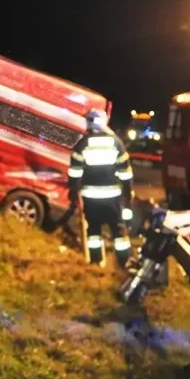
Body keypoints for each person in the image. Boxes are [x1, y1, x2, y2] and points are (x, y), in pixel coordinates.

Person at [68, 109, 134, 268]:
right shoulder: (116, 142)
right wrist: (128, 192)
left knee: (94, 232)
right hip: (112, 198)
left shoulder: (82, 143)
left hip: (91, 198)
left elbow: (74, 173)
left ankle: (97, 262)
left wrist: (73, 194)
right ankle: (124, 263)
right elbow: (125, 172)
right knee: (119, 231)